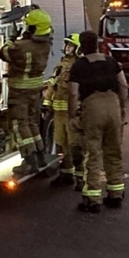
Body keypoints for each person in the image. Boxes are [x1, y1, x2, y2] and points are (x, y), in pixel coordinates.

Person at [69, 30, 128, 213]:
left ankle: (93, 199)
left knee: (93, 153)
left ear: (81, 46)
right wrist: (122, 107)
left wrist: (72, 116)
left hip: (92, 108)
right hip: (113, 106)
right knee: (114, 151)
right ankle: (115, 193)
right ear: (97, 43)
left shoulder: (78, 65)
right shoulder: (111, 61)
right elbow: (123, 85)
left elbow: (72, 93)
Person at [1, 8, 54, 176]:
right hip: (35, 90)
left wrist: (11, 37)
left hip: (20, 92)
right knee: (31, 122)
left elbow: (4, 52)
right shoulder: (46, 44)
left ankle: (29, 160)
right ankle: (40, 155)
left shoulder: (21, 46)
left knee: (18, 125)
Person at [49, 33, 83, 188]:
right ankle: (66, 175)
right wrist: (47, 102)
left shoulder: (78, 66)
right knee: (62, 144)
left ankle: (81, 179)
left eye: (71, 45)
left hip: (71, 113)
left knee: (75, 146)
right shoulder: (61, 64)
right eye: (67, 45)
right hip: (58, 111)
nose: (67, 48)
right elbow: (53, 84)